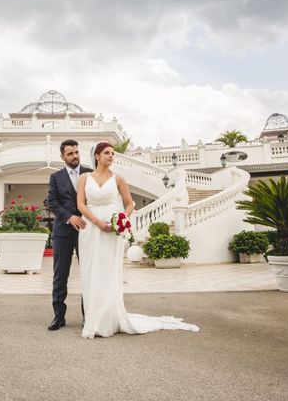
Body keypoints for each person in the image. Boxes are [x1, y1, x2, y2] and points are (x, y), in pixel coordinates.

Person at [77, 141, 199, 339]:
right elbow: (81, 205)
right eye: (107, 153)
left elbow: (130, 203)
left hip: (112, 230)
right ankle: (94, 319)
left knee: (108, 271)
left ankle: (109, 318)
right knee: (91, 271)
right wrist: (98, 222)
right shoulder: (84, 178)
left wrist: (121, 220)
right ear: (97, 156)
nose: (111, 156)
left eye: (113, 153)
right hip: (91, 228)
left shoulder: (118, 178)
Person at [46, 139, 93, 331]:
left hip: (87, 230)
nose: (74, 156)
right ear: (62, 157)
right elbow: (52, 202)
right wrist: (69, 217)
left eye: (76, 152)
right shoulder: (55, 177)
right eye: (70, 154)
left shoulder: (90, 173)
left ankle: (88, 316)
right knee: (60, 275)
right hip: (63, 231)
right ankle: (59, 316)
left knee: (89, 274)